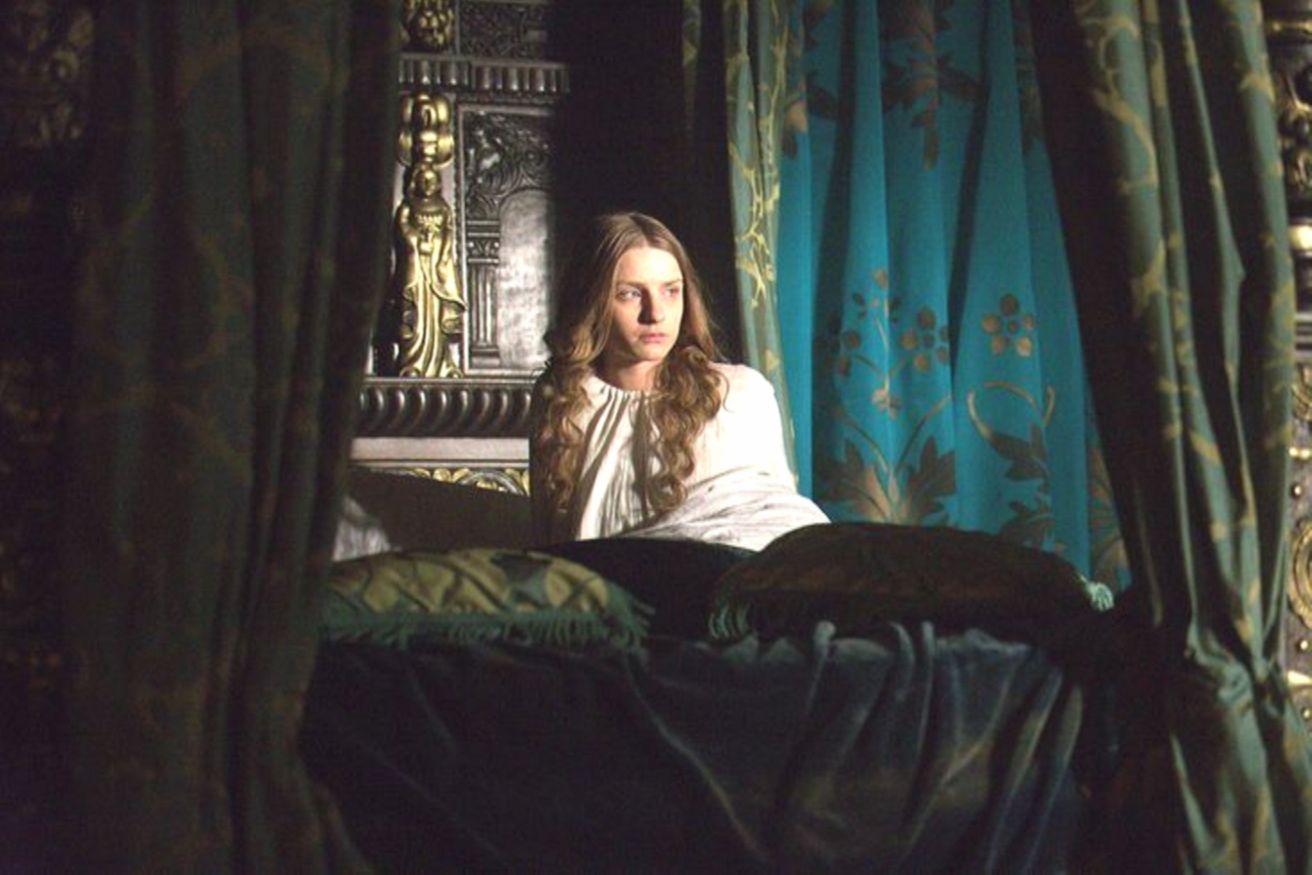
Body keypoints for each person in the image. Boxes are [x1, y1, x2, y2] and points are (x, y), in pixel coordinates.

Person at [530, 212, 828, 551]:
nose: (655, 314)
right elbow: (549, 540)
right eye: (630, 294)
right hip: (606, 577)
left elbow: (774, 519)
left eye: (671, 291)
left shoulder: (740, 393)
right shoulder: (564, 398)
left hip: (729, 571)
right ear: (592, 301)